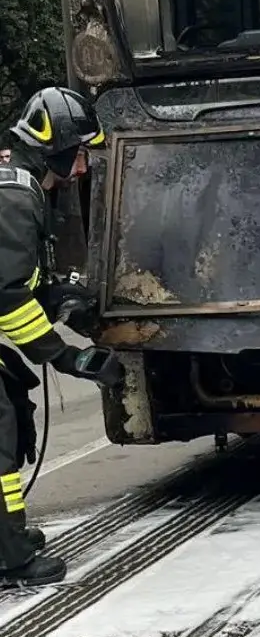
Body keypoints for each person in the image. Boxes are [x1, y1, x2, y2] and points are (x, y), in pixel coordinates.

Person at [0, 87, 124, 588]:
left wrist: (61, 299)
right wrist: (67, 357)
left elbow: (20, 279)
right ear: (53, 149)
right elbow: (6, 295)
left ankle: (8, 540)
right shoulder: (15, 196)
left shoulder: (20, 186)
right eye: (76, 156)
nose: (79, 170)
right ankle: (11, 562)